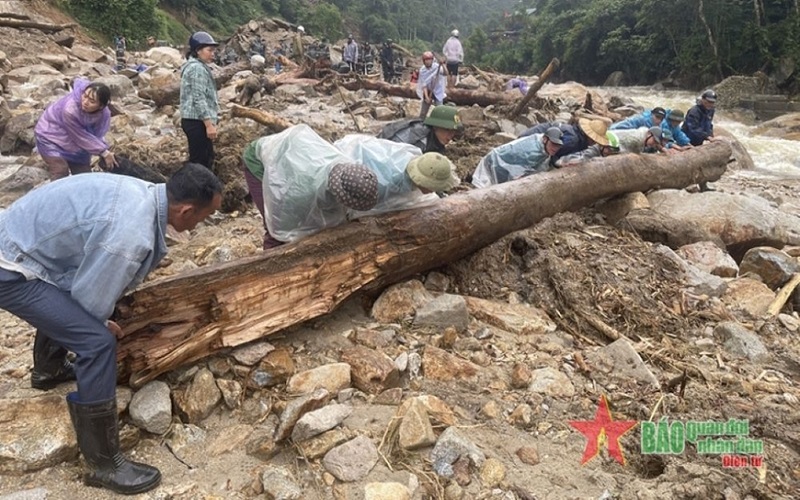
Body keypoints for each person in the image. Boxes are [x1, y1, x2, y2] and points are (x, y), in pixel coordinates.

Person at [0, 164, 223, 495]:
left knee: (74, 316)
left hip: (19, 240)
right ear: (186, 209)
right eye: (202, 218)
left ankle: (48, 371)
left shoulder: (145, 193)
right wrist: (99, 323)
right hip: (12, 265)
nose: (198, 226)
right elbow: (88, 302)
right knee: (97, 342)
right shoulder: (130, 234)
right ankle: (104, 464)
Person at [242, 125, 459, 248]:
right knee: (277, 228)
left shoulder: (351, 173)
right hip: (262, 161)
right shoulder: (303, 193)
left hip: (299, 157)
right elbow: (287, 225)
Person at [34, 78, 116, 180]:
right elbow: (79, 136)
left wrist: (103, 148)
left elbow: (95, 133)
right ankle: (57, 195)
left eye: (92, 101)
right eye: (85, 96)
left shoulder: (104, 114)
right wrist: (103, 151)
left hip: (74, 140)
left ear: (101, 106)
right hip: (50, 135)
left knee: (84, 175)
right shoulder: (70, 110)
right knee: (60, 170)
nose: (85, 102)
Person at [472, 126, 564, 187]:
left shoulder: (542, 147)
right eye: (553, 144)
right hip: (496, 164)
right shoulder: (532, 152)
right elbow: (518, 175)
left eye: (558, 146)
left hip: (502, 161)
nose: (555, 148)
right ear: (545, 139)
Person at [180, 31, 220, 171]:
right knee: (200, 163)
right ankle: (197, 191)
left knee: (204, 158)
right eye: (209, 50)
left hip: (194, 120)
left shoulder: (194, 66)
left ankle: (201, 190)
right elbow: (199, 98)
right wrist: (209, 125)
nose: (212, 54)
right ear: (198, 50)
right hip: (197, 122)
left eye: (213, 50)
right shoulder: (197, 69)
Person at [377, 105, 462, 154]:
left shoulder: (437, 143)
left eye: (453, 132)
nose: (450, 136)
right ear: (436, 127)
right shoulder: (417, 135)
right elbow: (392, 152)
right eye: (447, 130)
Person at [417, 51, 447, 118]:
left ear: (432, 60)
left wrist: (443, 64)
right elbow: (424, 85)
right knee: (423, 113)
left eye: (429, 60)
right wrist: (427, 97)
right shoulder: (422, 70)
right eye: (426, 60)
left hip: (438, 90)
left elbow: (446, 73)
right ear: (423, 61)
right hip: (428, 90)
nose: (428, 62)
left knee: (440, 110)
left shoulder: (437, 67)